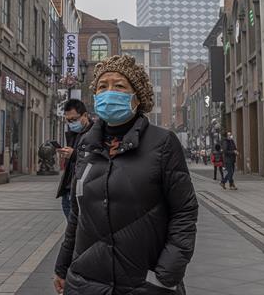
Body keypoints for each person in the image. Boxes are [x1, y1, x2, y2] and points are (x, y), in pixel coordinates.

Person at [53, 55, 198, 295]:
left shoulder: (162, 143)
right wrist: (62, 266)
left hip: (144, 283)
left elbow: (184, 213)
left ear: (137, 97)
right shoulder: (86, 144)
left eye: (119, 86)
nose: (109, 92)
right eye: (102, 86)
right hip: (85, 283)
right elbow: (78, 215)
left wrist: (166, 275)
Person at [55, 99, 93, 220]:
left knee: (78, 227)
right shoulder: (74, 133)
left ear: (85, 115)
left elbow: (96, 159)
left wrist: (73, 154)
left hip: (82, 190)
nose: (71, 123)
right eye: (68, 120)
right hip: (69, 188)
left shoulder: (95, 133)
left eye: (74, 119)